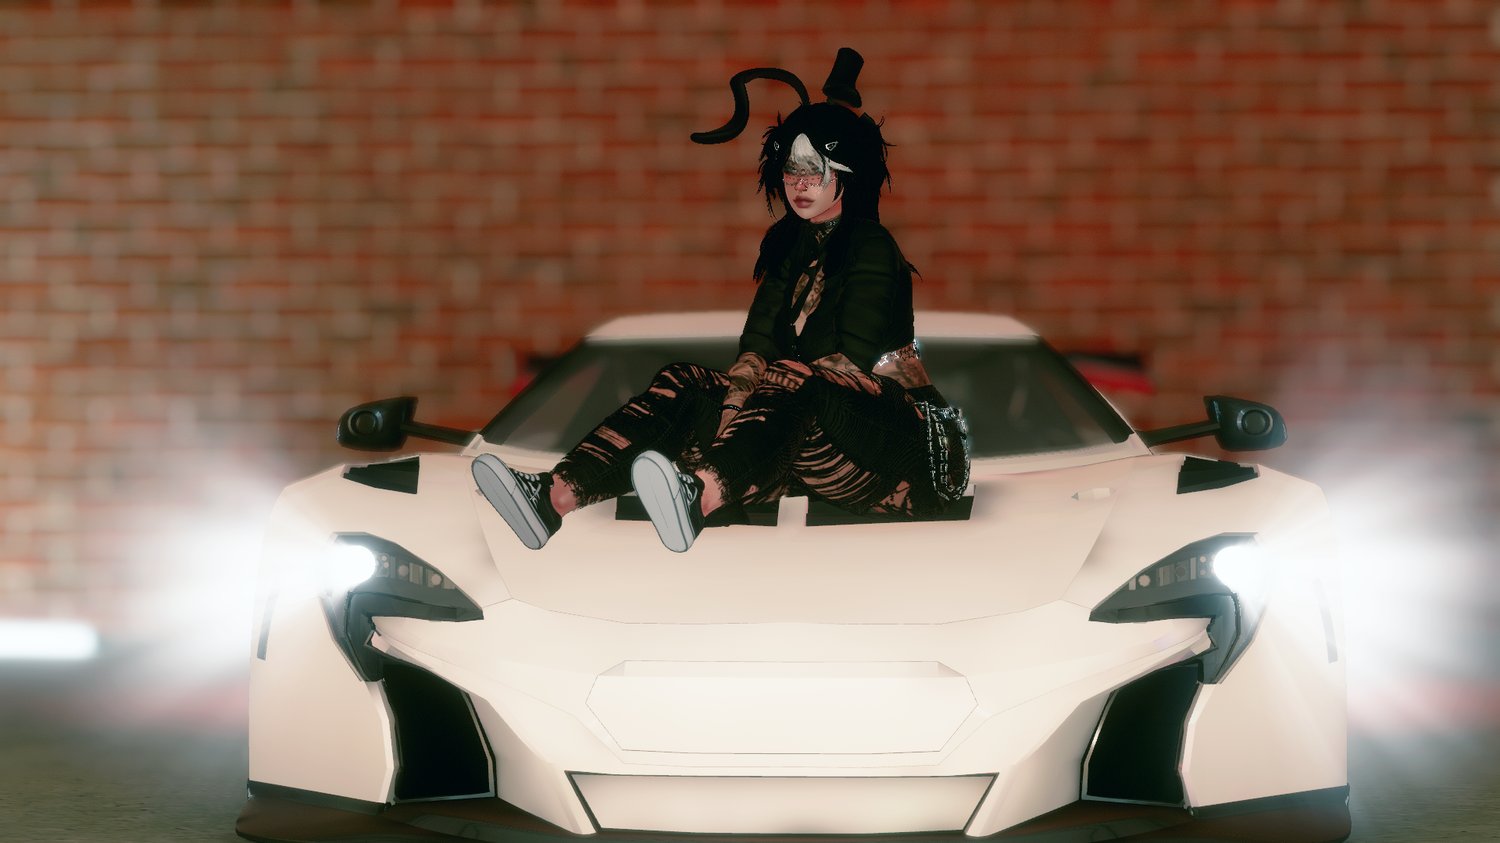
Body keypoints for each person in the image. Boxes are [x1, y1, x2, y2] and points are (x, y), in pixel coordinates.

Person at [473, 48, 969, 553]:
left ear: (847, 174)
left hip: (900, 446)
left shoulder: (871, 245)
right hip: (808, 439)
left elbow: (852, 358)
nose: (800, 185)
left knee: (793, 380)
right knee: (684, 382)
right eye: (791, 170)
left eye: (816, 171)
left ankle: (700, 496)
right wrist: (732, 406)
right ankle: (553, 497)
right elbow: (757, 343)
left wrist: (750, 412)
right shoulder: (789, 248)